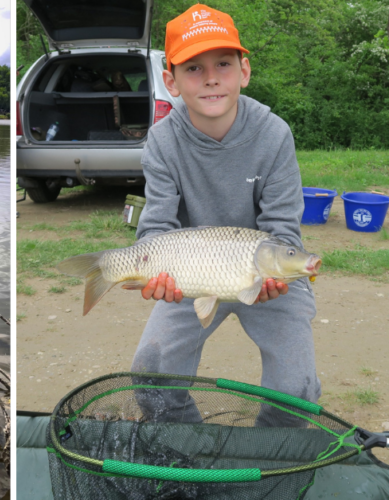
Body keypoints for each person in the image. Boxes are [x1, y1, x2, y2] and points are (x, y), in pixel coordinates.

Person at [130, 4, 320, 426]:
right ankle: (191, 453)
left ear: (244, 71)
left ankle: (269, 457)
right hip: (192, 275)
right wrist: (152, 272)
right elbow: (157, 227)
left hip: (269, 274)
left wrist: (277, 274)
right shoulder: (162, 141)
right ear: (171, 82)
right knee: (149, 377)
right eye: (193, 68)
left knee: (296, 392)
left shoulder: (274, 134)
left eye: (223, 64)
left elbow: (282, 228)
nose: (211, 77)